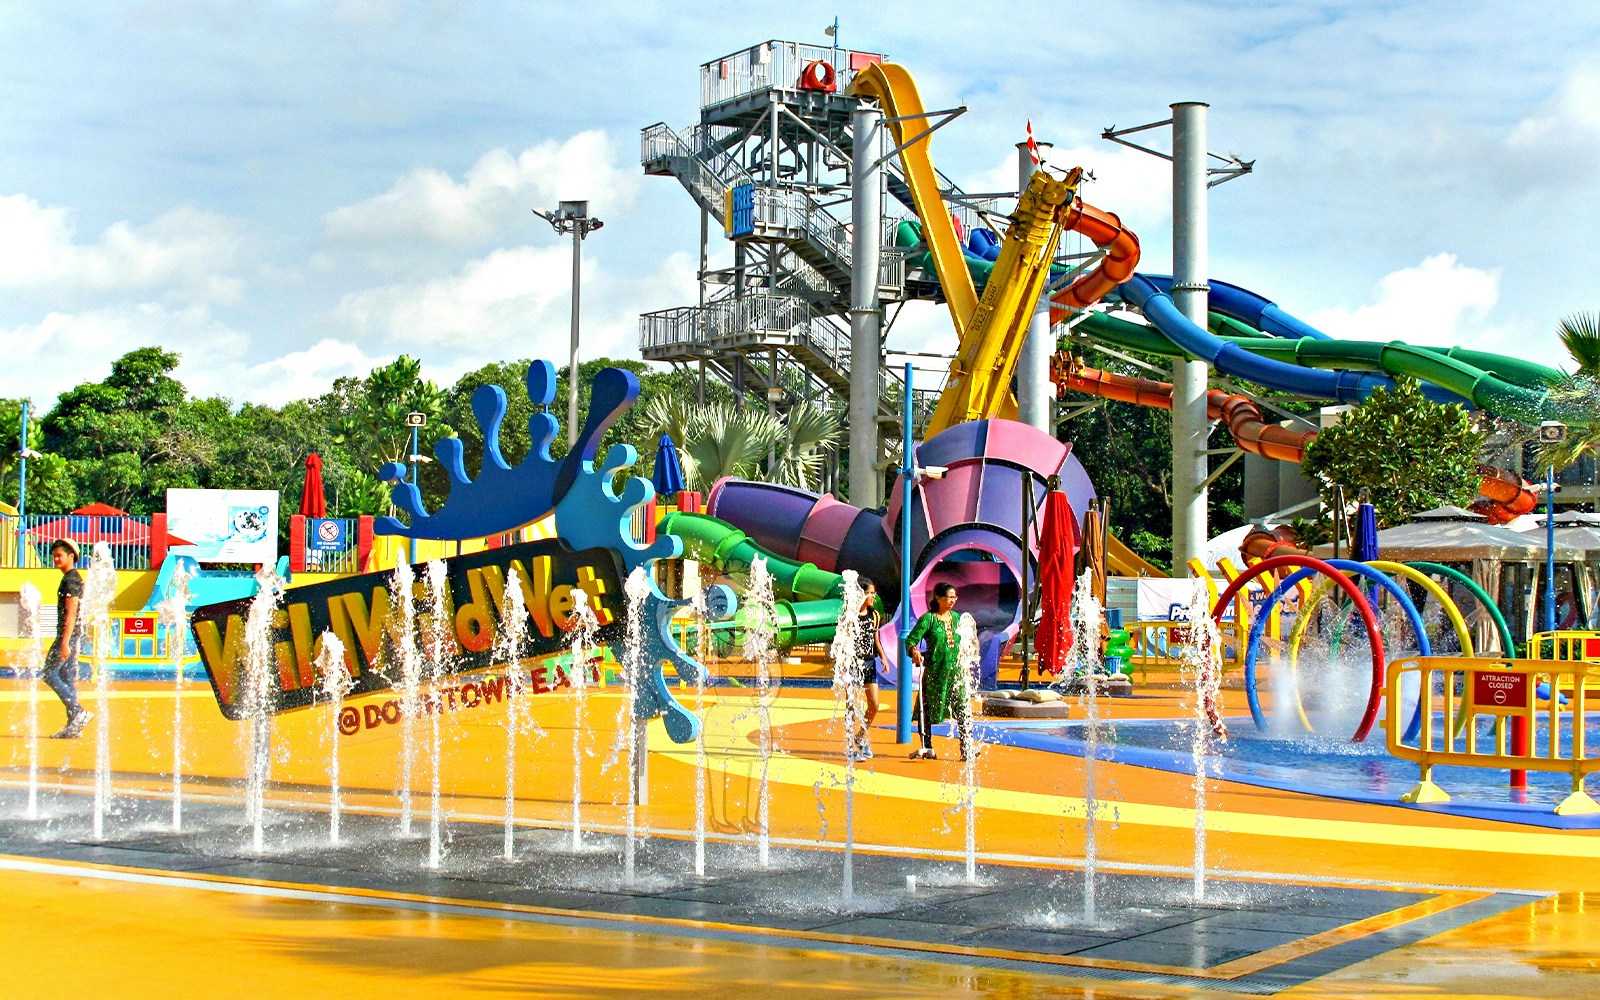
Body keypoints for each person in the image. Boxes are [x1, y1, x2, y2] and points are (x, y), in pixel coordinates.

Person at [903, 582, 975, 761]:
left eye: (954, 597)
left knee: (962, 708)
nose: (952, 601)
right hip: (936, 673)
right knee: (927, 710)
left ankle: (966, 748)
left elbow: (965, 642)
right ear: (938, 598)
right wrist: (915, 651)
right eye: (949, 597)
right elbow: (911, 640)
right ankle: (927, 746)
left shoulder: (957, 618)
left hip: (956, 673)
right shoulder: (929, 619)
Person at [43, 539, 92, 738]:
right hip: (71, 636)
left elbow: (71, 614)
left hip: (67, 636)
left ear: (71, 556)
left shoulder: (71, 580)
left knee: (48, 673)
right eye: (54, 555)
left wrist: (64, 642)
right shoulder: (72, 578)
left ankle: (78, 711)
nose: (55, 559)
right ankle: (74, 724)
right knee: (66, 677)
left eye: (59, 555)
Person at [849, 578, 888, 759]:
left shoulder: (875, 615)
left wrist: (883, 657)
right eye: (869, 593)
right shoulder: (849, 615)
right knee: (851, 705)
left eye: (873, 592)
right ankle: (850, 746)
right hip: (852, 663)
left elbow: (876, 639)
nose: (873, 596)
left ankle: (859, 736)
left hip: (869, 662)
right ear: (860, 594)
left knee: (874, 704)